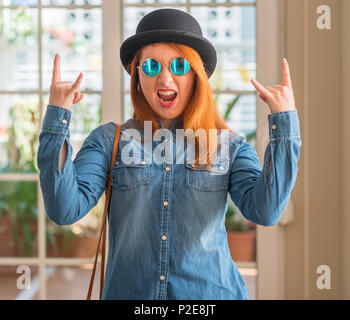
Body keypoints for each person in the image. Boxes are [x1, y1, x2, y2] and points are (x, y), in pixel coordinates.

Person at [37, 8, 302, 300]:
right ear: (137, 76)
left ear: (196, 76)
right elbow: (63, 209)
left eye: (179, 66)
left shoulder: (229, 146)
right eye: (151, 66)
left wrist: (284, 123)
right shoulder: (108, 141)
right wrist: (57, 116)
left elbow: (265, 211)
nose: (165, 80)